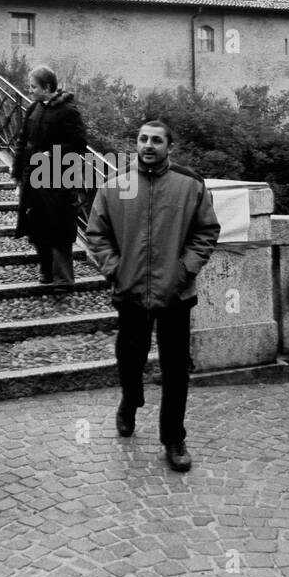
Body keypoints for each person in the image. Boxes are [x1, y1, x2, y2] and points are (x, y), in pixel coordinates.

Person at [85, 119, 220, 472]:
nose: (148, 145)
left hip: (175, 293)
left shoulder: (190, 185)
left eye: (157, 140)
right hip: (129, 292)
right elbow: (96, 233)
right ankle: (130, 401)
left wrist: (184, 269)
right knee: (130, 360)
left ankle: (174, 437)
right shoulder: (116, 185)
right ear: (136, 143)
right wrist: (115, 268)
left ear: (169, 147)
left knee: (176, 369)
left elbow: (207, 231)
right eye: (143, 139)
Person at [12, 66, 88, 291]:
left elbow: (79, 144)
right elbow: (23, 140)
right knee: (36, 226)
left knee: (59, 228)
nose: (30, 90)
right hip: (34, 178)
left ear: (47, 88)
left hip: (59, 179)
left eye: (34, 86)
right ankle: (46, 272)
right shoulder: (34, 108)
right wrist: (17, 172)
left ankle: (63, 279)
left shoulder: (68, 111)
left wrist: (52, 154)